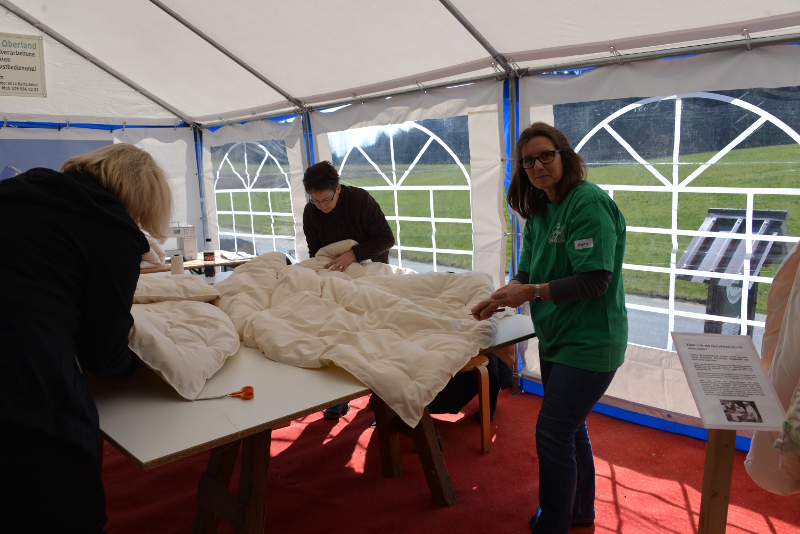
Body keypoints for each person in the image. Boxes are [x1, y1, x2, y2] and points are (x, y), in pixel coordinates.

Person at [0, 144, 173, 533]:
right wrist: (144, 363)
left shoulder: (21, 193)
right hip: (22, 401)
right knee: (70, 515)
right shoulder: (111, 229)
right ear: (143, 198)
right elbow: (104, 355)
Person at [472, 122, 628, 533]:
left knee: (553, 430)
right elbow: (527, 272)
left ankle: (553, 522)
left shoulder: (587, 203)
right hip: (557, 338)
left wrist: (531, 293)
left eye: (546, 155)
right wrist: (503, 294)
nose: (537, 166)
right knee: (571, 429)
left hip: (591, 342)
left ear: (564, 156)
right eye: (528, 161)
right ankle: (579, 510)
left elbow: (595, 280)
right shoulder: (540, 209)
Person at [302, 161, 395, 419]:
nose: (322, 206)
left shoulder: (360, 200)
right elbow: (316, 254)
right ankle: (338, 395)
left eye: (326, 200)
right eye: (316, 201)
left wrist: (352, 255)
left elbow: (386, 238)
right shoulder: (311, 212)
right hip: (336, 275)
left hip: (370, 268)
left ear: (338, 188)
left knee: (373, 331)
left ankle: (380, 391)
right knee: (336, 330)